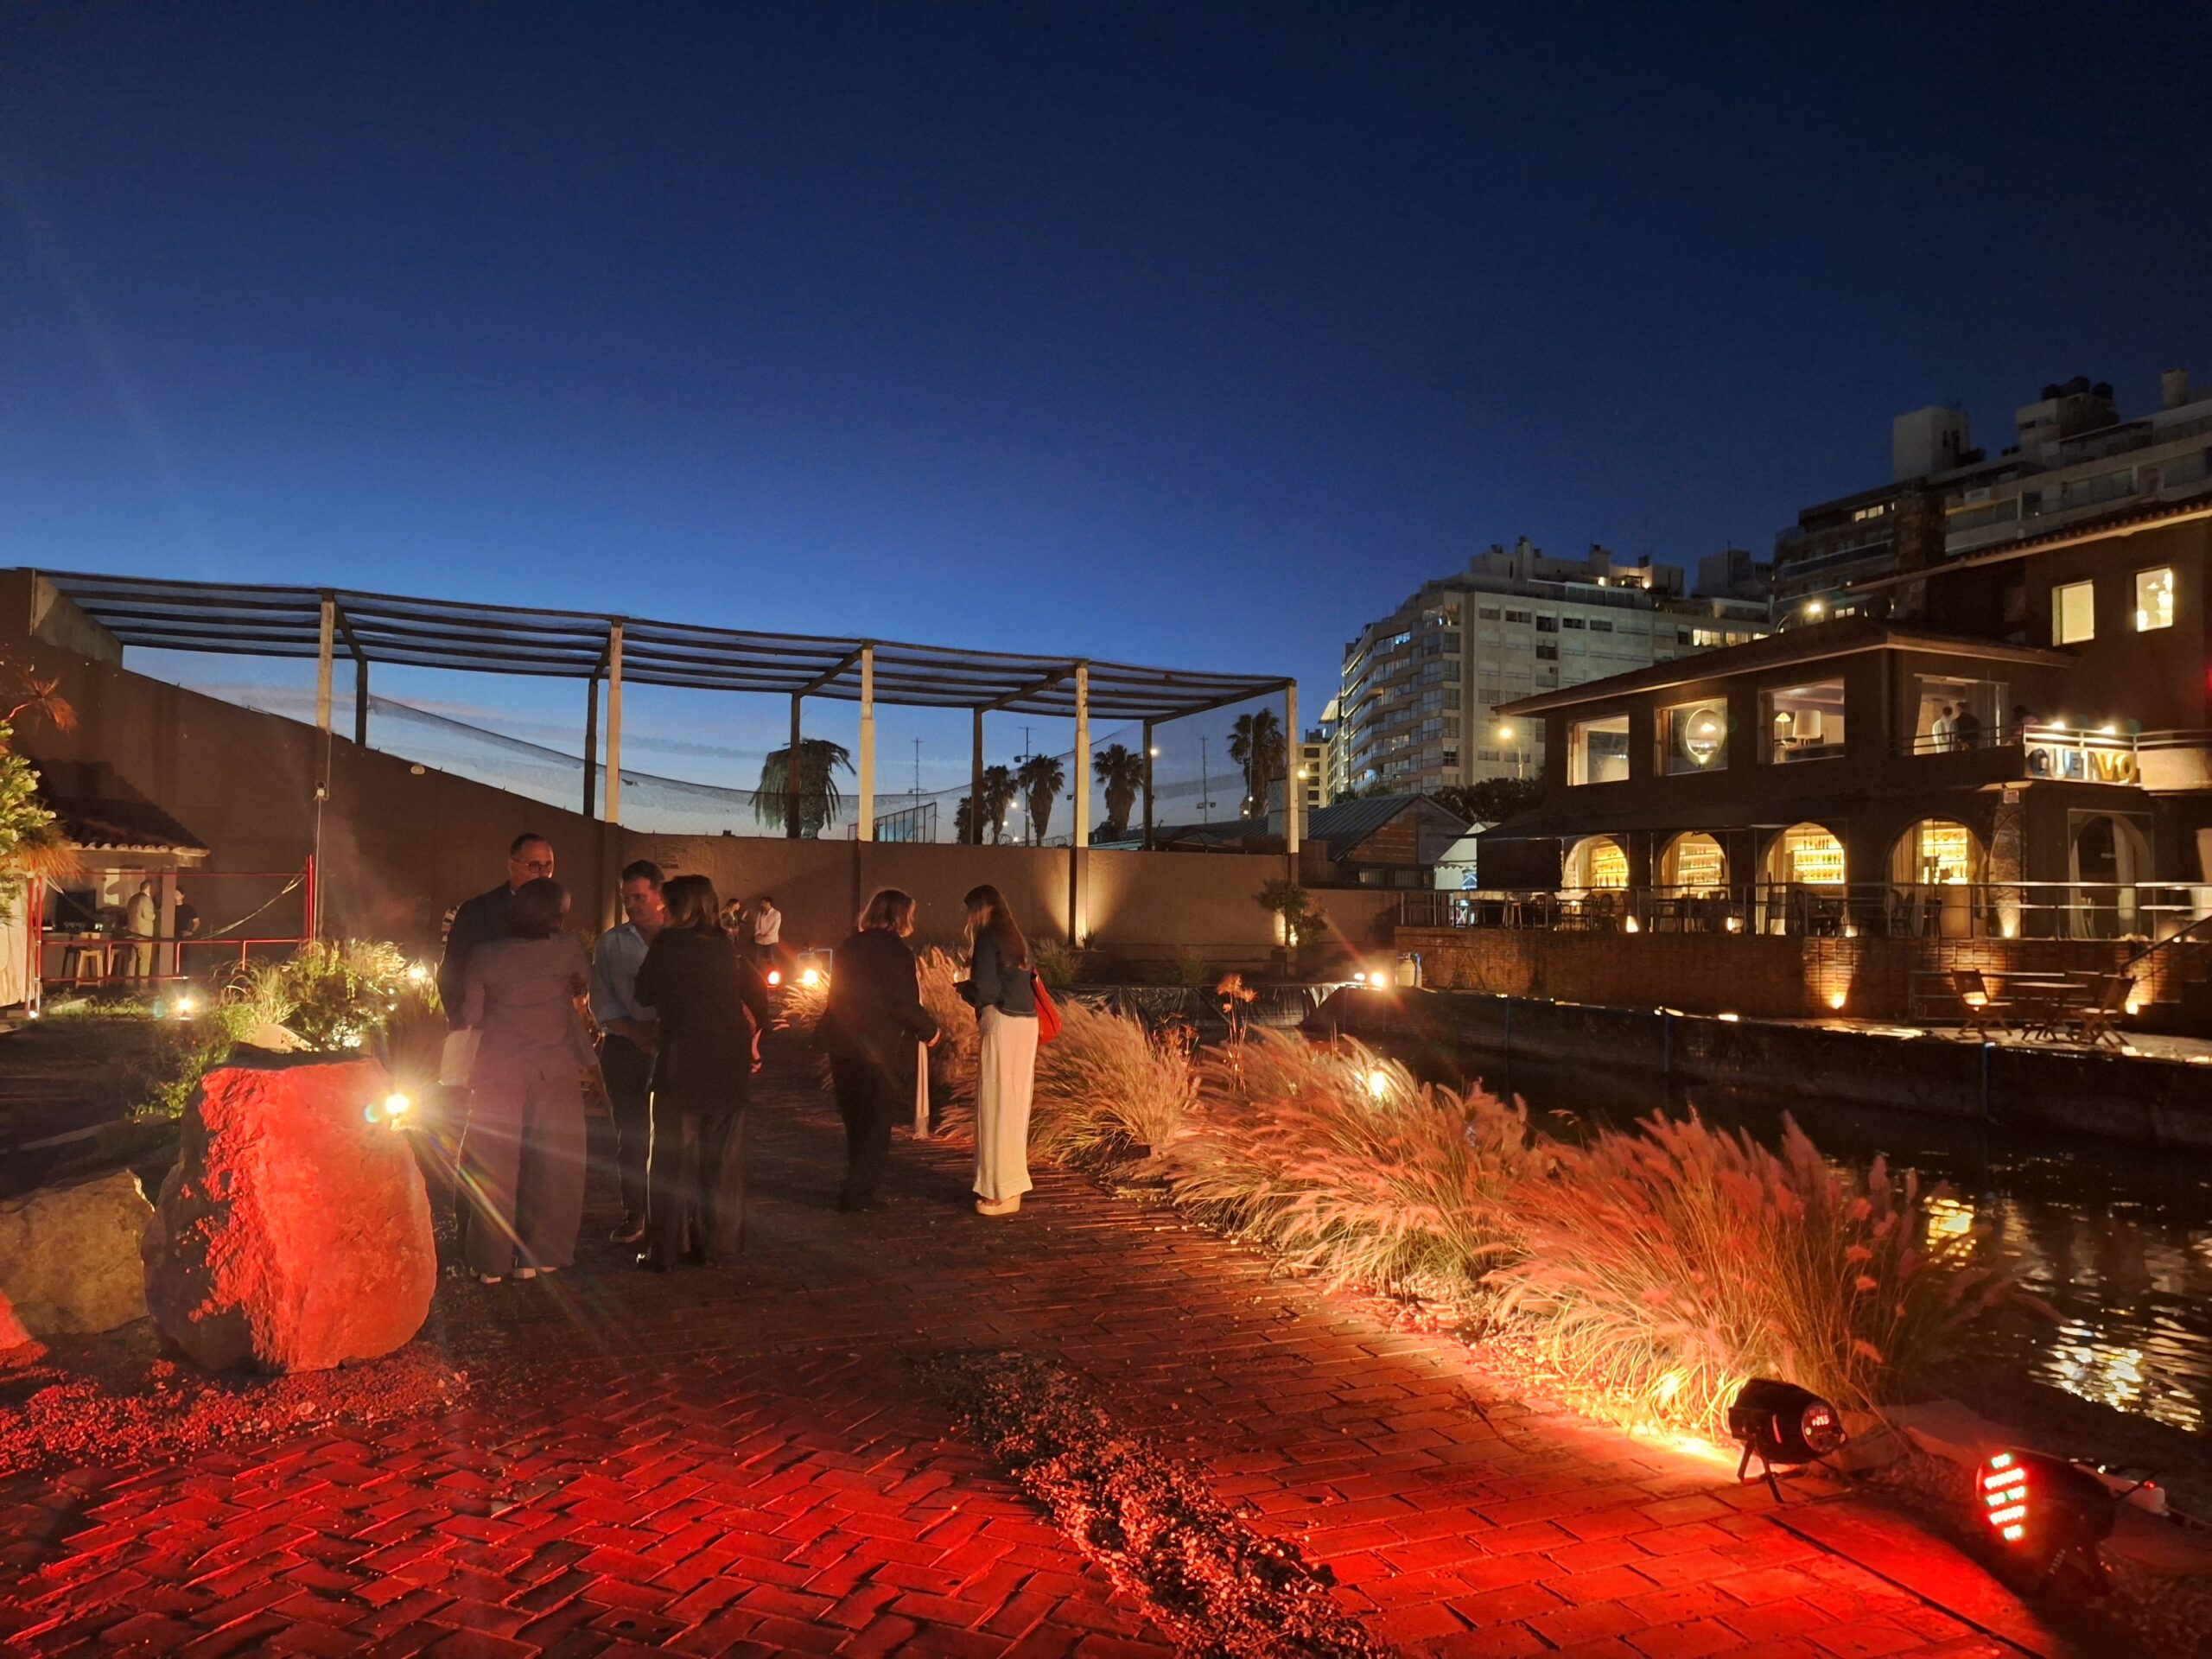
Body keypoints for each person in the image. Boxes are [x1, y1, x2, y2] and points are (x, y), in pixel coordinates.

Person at [456, 878, 597, 1284]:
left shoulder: (485, 954)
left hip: (497, 1068)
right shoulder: (567, 948)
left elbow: (470, 1015)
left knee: (493, 1161)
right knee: (554, 1162)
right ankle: (541, 1255)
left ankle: (490, 1261)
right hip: (554, 1065)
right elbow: (584, 987)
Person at [634, 874, 770, 1270]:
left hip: (683, 1059)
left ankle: (666, 1250)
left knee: (673, 1157)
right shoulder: (727, 947)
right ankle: (715, 1244)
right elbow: (758, 993)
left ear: (681, 906)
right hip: (729, 1059)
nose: (661, 908)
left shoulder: (668, 944)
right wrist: (754, 1038)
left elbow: (643, 993)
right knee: (722, 1159)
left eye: (666, 903)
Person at [820, 888, 938, 1212]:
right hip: (879, 1048)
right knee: (875, 1123)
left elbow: (836, 994)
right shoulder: (896, 953)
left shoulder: (849, 946)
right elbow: (902, 1001)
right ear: (900, 917)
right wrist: (929, 1030)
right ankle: (858, 1194)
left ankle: (854, 1185)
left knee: (855, 1120)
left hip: (843, 1043)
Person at [590, 860, 666, 1245]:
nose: (632, 905)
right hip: (625, 1046)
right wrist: (635, 1031)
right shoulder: (611, 944)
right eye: (627, 899)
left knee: (675, 1134)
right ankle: (635, 1211)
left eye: (639, 897)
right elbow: (601, 1002)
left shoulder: (681, 939)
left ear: (659, 895)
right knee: (631, 1133)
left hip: (674, 1044)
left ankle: (671, 1212)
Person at [956, 884, 1039, 1217]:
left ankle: (996, 1190)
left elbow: (987, 991)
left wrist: (966, 991)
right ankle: (1012, 1186)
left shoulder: (988, 938)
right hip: (1027, 1023)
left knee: (994, 1105)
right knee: (1015, 1106)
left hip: (1001, 1021)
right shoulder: (1018, 940)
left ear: (980, 909)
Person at [440, 834, 556, 1025]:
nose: (543, 875)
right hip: (487, 1029)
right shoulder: (479, 911)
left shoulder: (554, 914)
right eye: (534, 866)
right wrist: (463, 1023)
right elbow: (452, 973)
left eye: (548, 867)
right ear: (512, 866)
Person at [124, 880, 157, 979]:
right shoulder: (145, 899)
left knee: (132, 959)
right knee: (145, 960)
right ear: (149, 888)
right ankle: (143, 983)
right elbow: (148, 916)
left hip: (132, 933)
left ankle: (129, 982)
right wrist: (156, 915)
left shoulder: (133, 898)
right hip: (143, 934)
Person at [751, 894, 783, 972]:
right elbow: (757, 925)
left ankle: (775, 974)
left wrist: (766, 935)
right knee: (758, 960)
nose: (761, 905)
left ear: (768, 903)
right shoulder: (761, 913)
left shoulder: (776, 913)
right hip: (760, 940)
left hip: (771, 940)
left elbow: (775, 927)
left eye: (763, 903)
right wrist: (758, 934)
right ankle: (759, 975)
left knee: (772, 959)